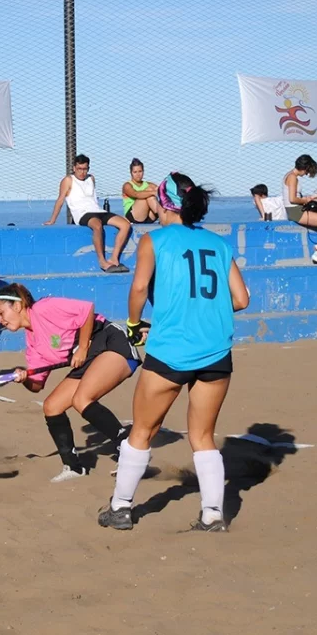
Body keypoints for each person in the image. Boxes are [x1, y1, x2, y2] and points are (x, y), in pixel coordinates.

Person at [98, 172, 250, 532]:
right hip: (216, 353)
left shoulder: (154, 240)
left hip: (169, 352)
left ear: (164, 203)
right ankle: (213, 514)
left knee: (142, 431)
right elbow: (241, 299)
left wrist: (134, 324)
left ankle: (120, 508)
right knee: (203, 436)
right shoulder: (219, 244)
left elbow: (138, 288)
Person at [0, 282, 141, 483]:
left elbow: (86, 309)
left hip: (110, 343)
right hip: (87, 360)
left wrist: (81, 348)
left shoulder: (44, 308)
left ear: (17, 306)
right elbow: (37, 386)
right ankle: (73, 466)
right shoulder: (32, 342)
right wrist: (24, 379)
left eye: (1, 313)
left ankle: (128, 449)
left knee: (82, 399)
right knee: (52, 406)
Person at [44, 154, 131, 273]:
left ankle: (114, 259)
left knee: (125, 225)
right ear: (74, 168)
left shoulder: (91, 178)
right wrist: (52, 220)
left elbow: (92, 199)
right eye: (79, 169)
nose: (82, 172)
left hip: (97, 210)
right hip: (82, 213)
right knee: (97, 225)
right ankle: (102, 261)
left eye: (85, 169)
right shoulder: (68, 180)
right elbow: (60, 200)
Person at [282, 154, 317, 266]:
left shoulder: (289, 175)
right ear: (305, 167)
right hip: (295, 211)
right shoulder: (292, 177)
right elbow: (292, 199)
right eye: (307, 171)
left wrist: (308, 199)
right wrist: (306, 200)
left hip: (296, 209)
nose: (306, 174)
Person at [122, 158, 159, 223]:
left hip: (150, 216)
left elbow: (162, 191)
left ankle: (164, 214)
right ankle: (163, 214)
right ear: (131, 173)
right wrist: (153, 192)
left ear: (143, 171)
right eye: (135, 172)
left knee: (151, 190)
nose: (138, 174)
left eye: (140, 171)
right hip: (133, 216)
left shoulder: (149, 184)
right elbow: (136, 194)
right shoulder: (127, 185)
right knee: (149, 193)